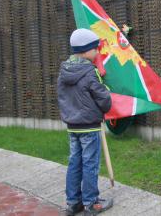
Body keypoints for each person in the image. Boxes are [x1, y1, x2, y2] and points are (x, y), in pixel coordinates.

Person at [57, 28, 113, 216]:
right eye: (95, 49)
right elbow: (103, 99)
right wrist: (105, 89)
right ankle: (91, 203)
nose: (97, 52)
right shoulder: (90, 72)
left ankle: (73, 203)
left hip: (72, 126)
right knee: (90, 164)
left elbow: (62, 97)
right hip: (89, 126)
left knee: (75, 162)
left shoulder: (64, 70)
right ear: (87, 50)